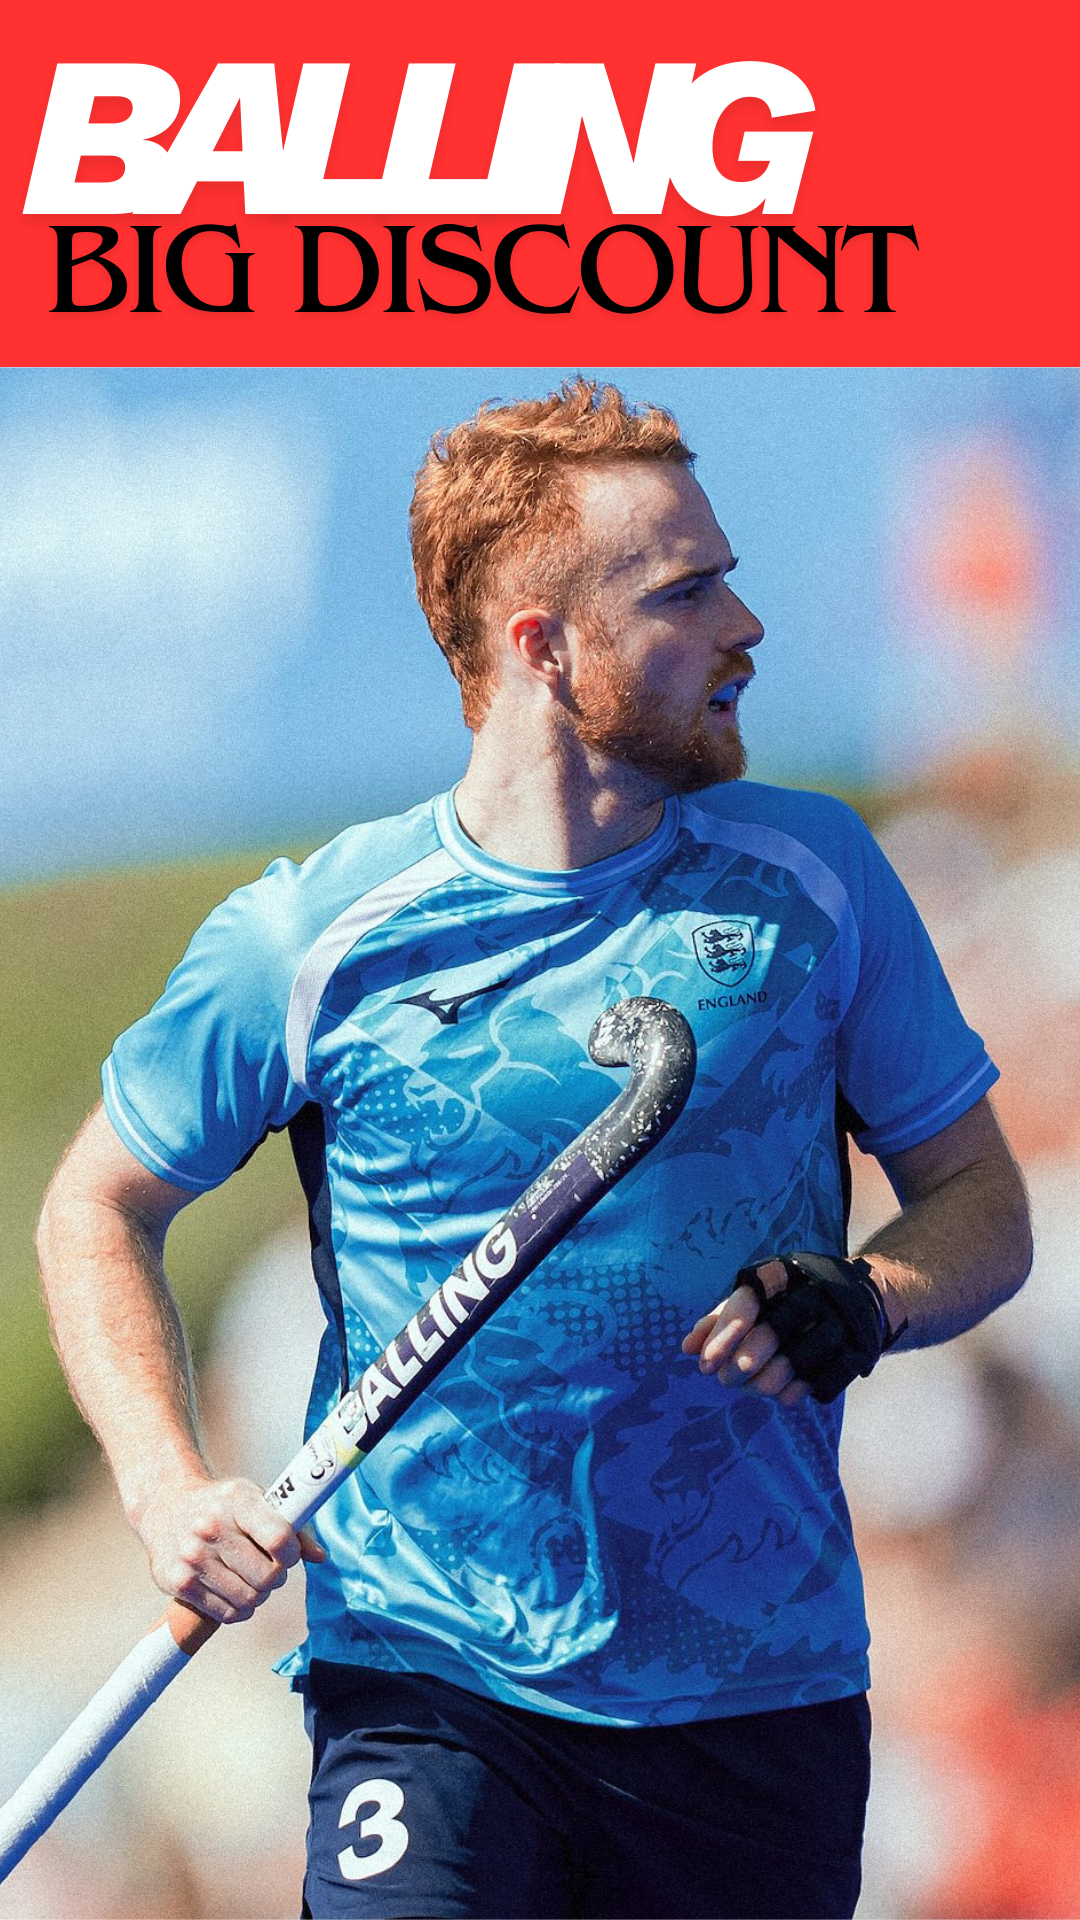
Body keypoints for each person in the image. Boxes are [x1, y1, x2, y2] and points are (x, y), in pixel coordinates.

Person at [37, 378, 1032, 1920]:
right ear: (544, 646)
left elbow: (981, 1203)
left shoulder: (817, 881)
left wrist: (872, 1296)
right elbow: (97, 1206)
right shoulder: (315, 941)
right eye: (686, 593)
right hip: (428, 1685)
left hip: (753, 1706)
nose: (747, 626)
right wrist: (169, 1490)